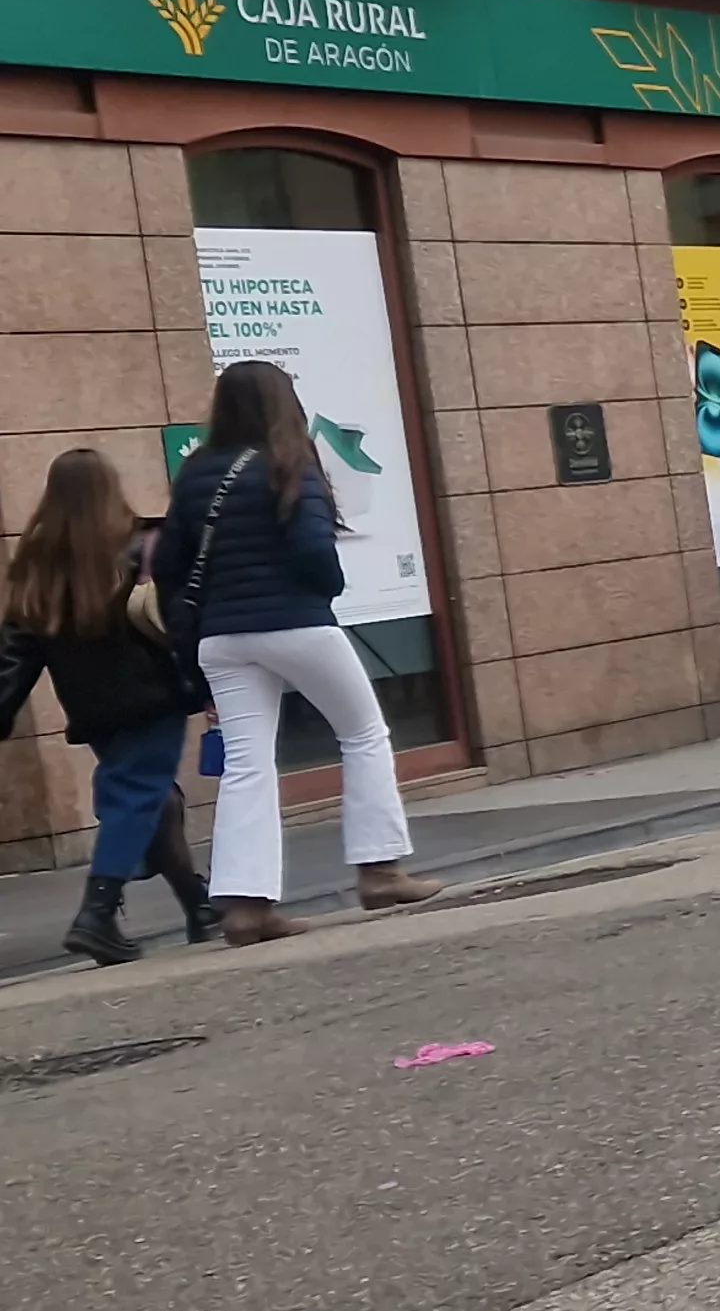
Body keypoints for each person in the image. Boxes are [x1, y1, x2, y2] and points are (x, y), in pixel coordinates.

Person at [153, 361, 432, 944]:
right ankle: (380, 871)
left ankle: (246, 907)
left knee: (247, 764)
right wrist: (329, 584)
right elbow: (313, 551)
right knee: (363, 733)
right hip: (296, 624)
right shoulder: (290, 461)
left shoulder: (197, 472)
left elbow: (170, 565)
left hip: (222, 638)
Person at [1, 450, 216, 964]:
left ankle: (200, 906)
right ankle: (95, 915)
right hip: (153, 698)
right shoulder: (143, 547)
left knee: (155, 801)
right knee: (137, 797)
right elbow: (182, 618)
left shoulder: (38, 566)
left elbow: (15, 650)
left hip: (93, 712)